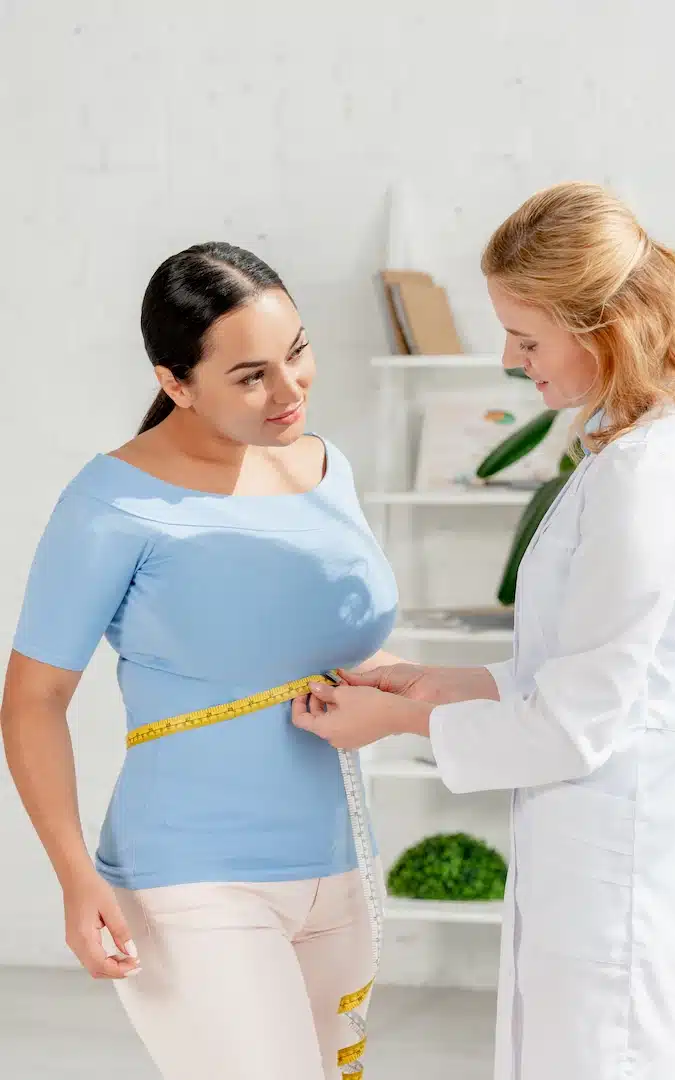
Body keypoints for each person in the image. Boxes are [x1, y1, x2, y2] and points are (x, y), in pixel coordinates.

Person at [292, 182, 675, 1080]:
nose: (508, 357)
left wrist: (397, 724)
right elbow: (583, 663)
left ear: (602, 326)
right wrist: (434, 680)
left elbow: (576, 722)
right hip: (597, 849)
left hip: (624, 867)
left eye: (526, 338)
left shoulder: (650, 473)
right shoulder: (635, 445)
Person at [0, 242, 401, 1080]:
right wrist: (74, 879)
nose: (289, 391)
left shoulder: (328, 469)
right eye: (251, 376)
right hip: (189, 878)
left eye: (296, 352)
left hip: (337, 864)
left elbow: (320, 647)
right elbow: (33, 700)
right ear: (175, 383)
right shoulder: (113, 501)